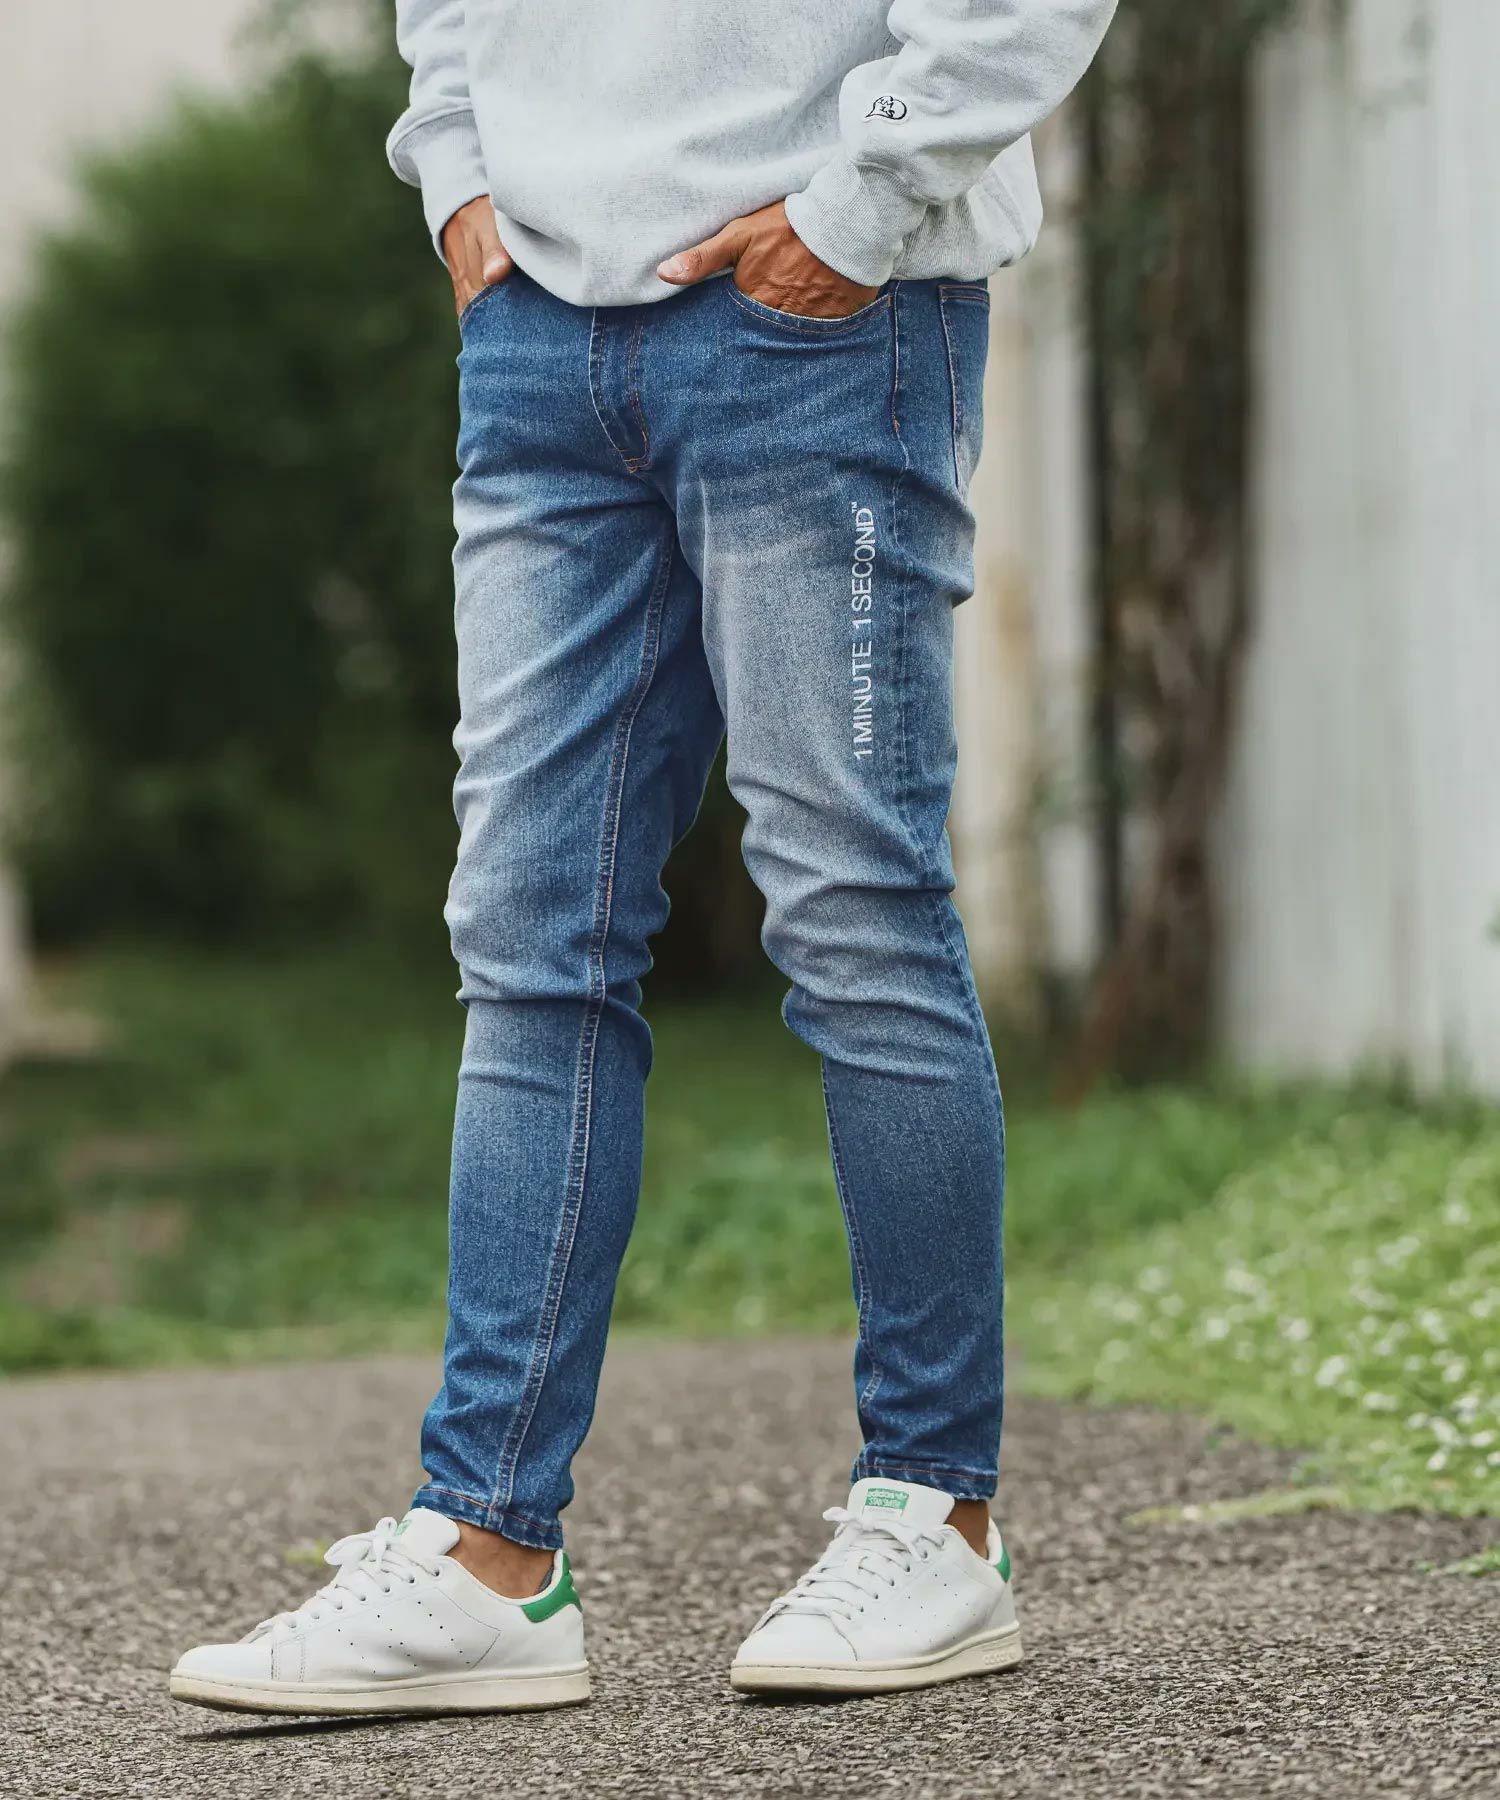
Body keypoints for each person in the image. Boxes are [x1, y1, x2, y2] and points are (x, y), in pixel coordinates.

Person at [170, 0, 1115, 1715]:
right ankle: (486, 1556)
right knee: (527, 935)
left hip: (824, 314)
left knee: (855, 912)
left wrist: (861, 204)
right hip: (541, 331)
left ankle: (938, 1518)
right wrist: (457, 174)